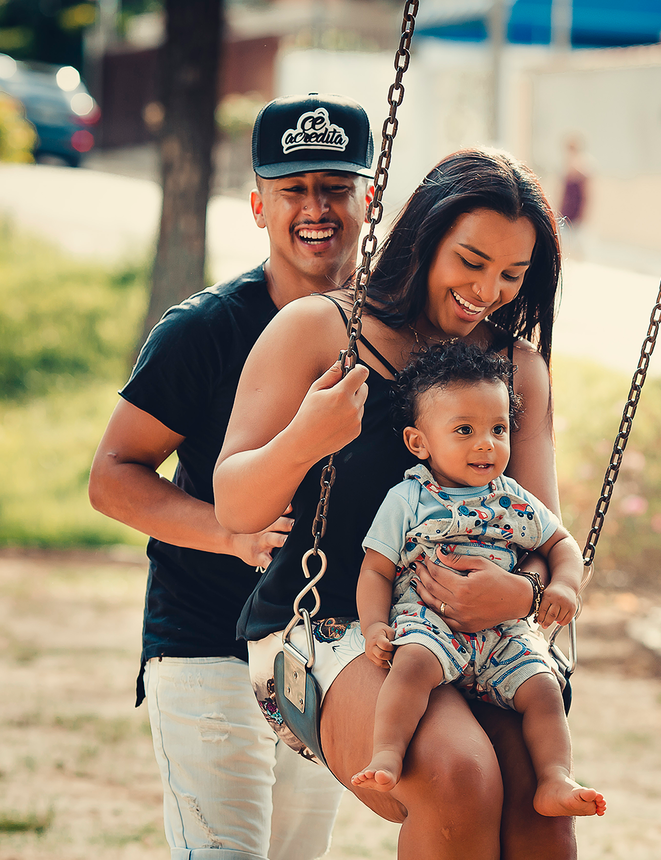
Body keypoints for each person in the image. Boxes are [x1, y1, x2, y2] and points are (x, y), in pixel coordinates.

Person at [212, 147, 577, 859]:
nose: (488, 291)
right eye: (471, 261)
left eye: (512, 274)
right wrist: (305, 440)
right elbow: (234, 506)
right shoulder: (321, 329)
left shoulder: (518, 369)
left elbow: (543, 534)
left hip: (482, 633)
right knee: (457, 772)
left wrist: (525, 593)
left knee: (541, 804)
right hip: (333, 623)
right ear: (424, 239)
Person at [88, 92, 378, 860]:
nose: (316, 208)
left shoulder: (388, 331)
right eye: (293, 190)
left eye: (335, 187)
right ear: (258, 206)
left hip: (325, 647)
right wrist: (227, 532)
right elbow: (112, 475)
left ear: (367, 199)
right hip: (205, 641)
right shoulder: (204, 330)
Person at [351, 342, 604, 820]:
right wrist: (373, 626)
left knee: (544, 690)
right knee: (410, 668)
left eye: (498, 429)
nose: (486, 443)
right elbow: (375, 569)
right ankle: (387, 753)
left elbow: (562, 544)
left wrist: (564, 586)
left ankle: (554, 777)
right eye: (464, 430)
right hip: (430, 622)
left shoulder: (514, 498)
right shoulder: (408, 499)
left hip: (504, 632)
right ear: (419, 443)